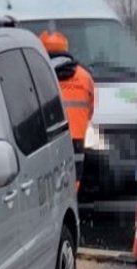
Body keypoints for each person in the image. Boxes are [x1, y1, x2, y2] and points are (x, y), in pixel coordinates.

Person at [40, 31, 95, 184]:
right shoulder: (85, 77)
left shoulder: (39, 76)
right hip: (77, 139)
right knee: (73, 183)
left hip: (48, 140)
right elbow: (90, 110)